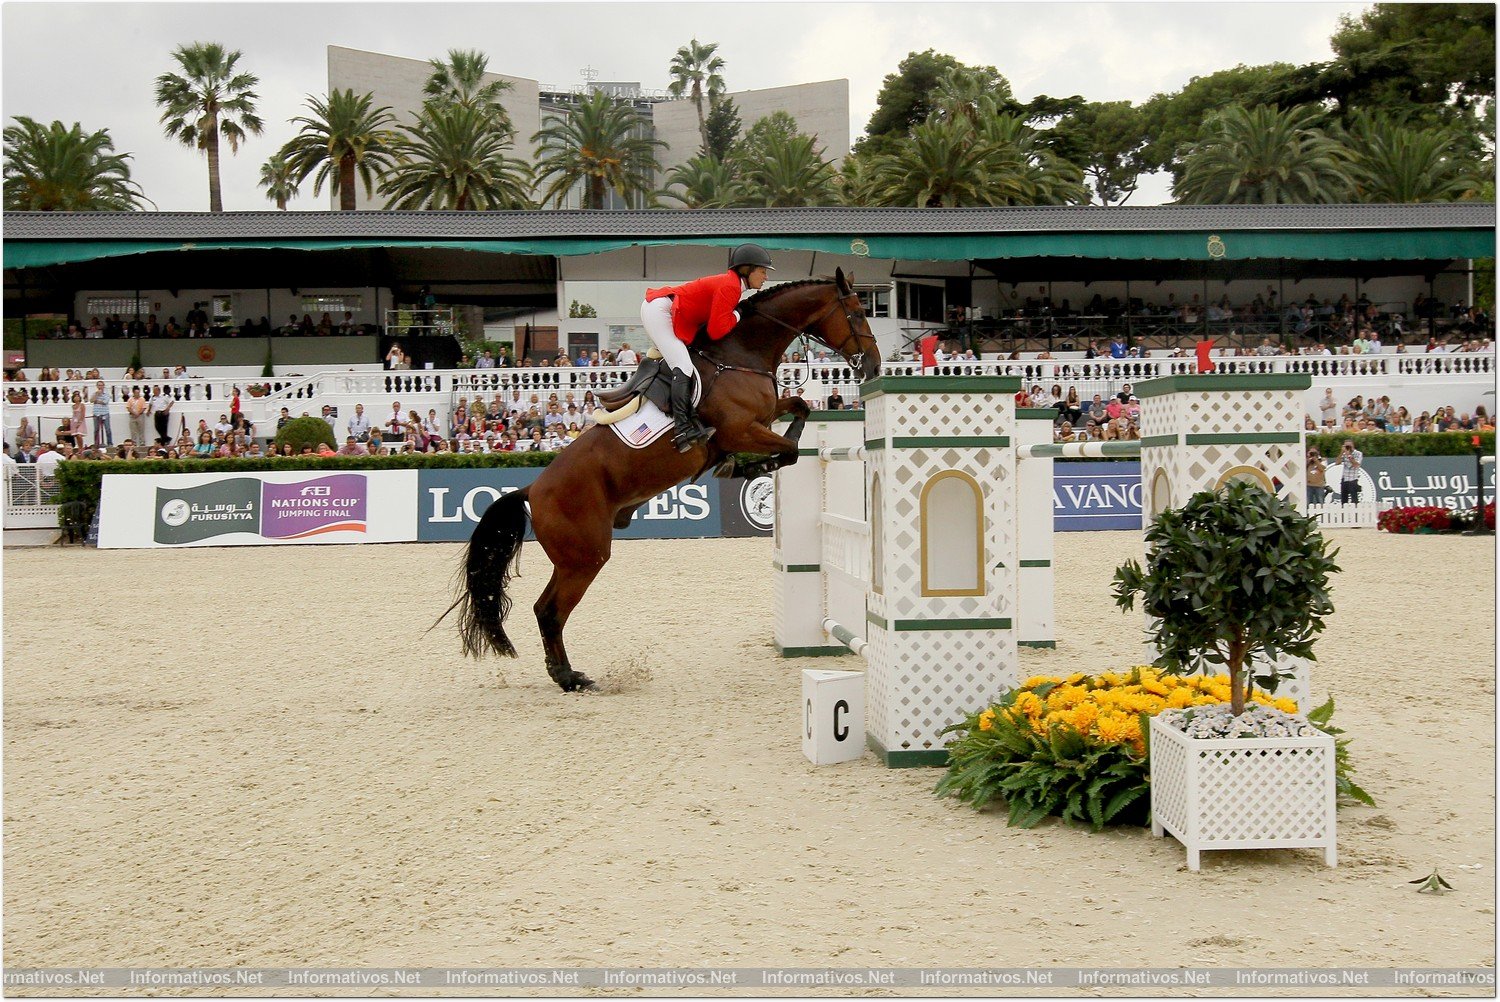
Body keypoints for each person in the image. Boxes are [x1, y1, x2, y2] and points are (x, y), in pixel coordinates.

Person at [641, 243, 773, 452]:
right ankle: (682, 429)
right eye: (763, 271)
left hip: (671, 311)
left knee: (690, 362)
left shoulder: (733, 285)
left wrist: (737, 311)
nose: (766, 277)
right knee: (683, 366)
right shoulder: (731, 286)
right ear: (747, 270)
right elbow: (716, 331)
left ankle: (690, 419)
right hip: (660, 311)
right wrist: (739, 313)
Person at [1338, 439, 1363, 505]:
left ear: (1353, 445)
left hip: (1353, 478)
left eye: (1349, 446)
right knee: (1344, 500)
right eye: (1346, 446)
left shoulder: (1358, 453)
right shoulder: (1344, 453)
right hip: (1344, 478)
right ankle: (1344, 513)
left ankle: (1355, 513)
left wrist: (1349, 455)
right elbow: (1337, 462)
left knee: (1354, 499)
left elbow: (1356, 465)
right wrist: (1341, 452)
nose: (1348, 447)